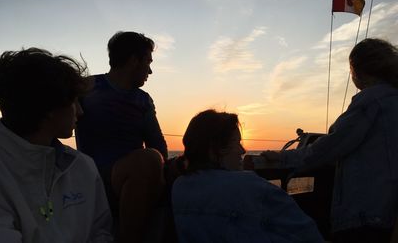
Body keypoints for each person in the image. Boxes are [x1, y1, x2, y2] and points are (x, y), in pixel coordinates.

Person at [262, 38, 398, 243]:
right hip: (387, 213)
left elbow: (327, 149)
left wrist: (281, 158)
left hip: (366, 217)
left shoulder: (370, 101)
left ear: (357, 71)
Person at [0, 48, 113, 242]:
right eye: (74, 101)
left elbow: (101, 233)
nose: (80, 111)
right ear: (50, 106)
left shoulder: (83, 167)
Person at [172, 109, 324, 243]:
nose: (242, 150)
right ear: (215, 149)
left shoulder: (179, 187)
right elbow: (307, 233)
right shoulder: (249, 186)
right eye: (236, 142)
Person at [75, 31, 168, 243]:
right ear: (134, 60)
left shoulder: (143, 100)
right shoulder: (87, 87)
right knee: (148, 160)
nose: (150, 71)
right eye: (148, 62)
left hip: (139, 180)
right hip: (97, 178)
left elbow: (157, 144)